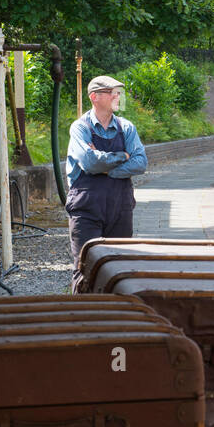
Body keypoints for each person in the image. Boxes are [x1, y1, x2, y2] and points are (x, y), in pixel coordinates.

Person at [66, 75, 147, 290]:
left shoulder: (126, 127)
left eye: (118, 92)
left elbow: (140, 163)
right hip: (86, 208)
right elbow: (90, 163)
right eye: (112, 92)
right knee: (85, 269)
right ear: (95, 97)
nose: (117, 96)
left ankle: (116, 318)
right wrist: (122, 156)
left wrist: (106, 170)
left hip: (120, 208)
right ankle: (82, 319)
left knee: (119, 267)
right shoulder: (79, 128)